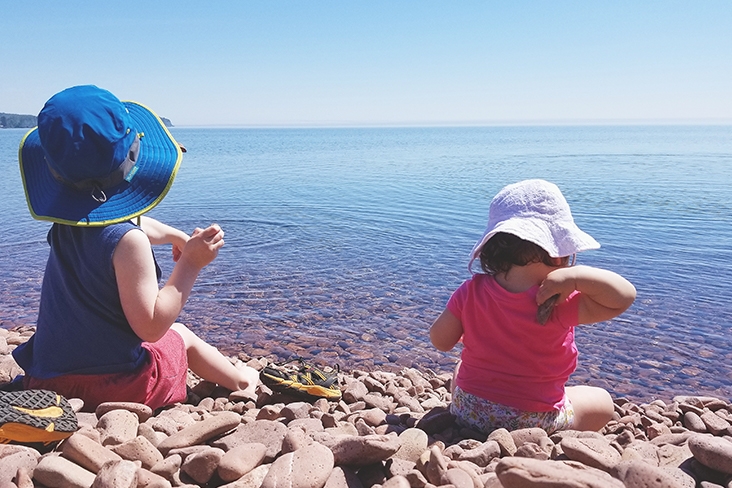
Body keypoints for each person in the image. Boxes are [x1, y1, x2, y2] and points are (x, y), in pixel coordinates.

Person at [12, 85, 259, 412]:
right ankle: (243, 382)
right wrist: (190, 264)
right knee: (181, 336)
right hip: (113, 388)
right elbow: (153, 326)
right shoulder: (130, 244)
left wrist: (175, 237)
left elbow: (128, 223)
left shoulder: (69, 222)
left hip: (44, 379)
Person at [430, 179, 636, 434]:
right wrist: (577, 277)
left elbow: (440, 340)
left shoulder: (471, 291)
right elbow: (624, 297)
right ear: (560, 252)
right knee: (603, 402)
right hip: (533, 421)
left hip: (470, 412)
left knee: (461, 367)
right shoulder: (558, 300)